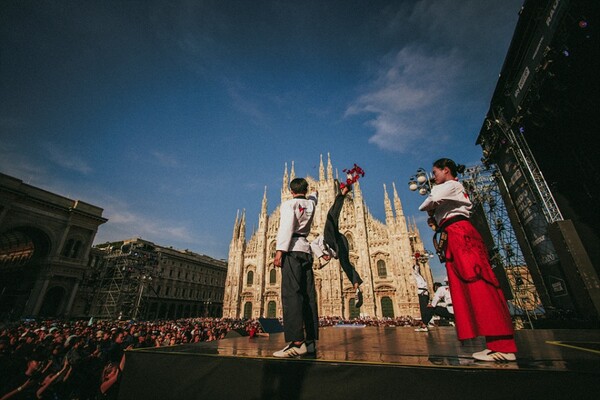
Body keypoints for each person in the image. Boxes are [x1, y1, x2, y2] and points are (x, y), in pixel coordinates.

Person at [419, 158, 517, 361]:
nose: (432, 177)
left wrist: (432, 207)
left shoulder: (450, 185)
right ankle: (495, 344)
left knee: (480, 285)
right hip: (453, 236)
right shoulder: (450, 189)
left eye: (435, 172)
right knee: (468, 288)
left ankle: (503, 346)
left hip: (461, 236)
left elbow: (427, 202)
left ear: (446, 171)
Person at [273, 178, 319, 358]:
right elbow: (315, 197)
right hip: (306, 251)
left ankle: (296, 342)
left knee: (291, 294)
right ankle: (310, 341)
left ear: (290, 191)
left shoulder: (289, 205)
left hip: (291, 249)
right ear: (305, 190)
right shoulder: (310, 204)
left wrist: (279, 251)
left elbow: (286, 228)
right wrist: (314, 193)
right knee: (308, 296)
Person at [310, 181, 363, 308]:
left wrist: (322, 256)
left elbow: (313, 245)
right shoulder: (321, 246)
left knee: (331, 217)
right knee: (347, 266)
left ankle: (342, 194)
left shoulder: (315, 243)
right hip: (340, 244)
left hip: (331, 241)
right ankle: (356, 287)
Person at [412, 262, 434, 332]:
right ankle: (425, 323)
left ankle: (426, 323)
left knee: (424, 309)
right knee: (424, 309)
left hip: (424, 293)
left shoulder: (420, 277)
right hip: (422, 293)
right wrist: (415, 261)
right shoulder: (416, 275)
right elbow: (416, 269)